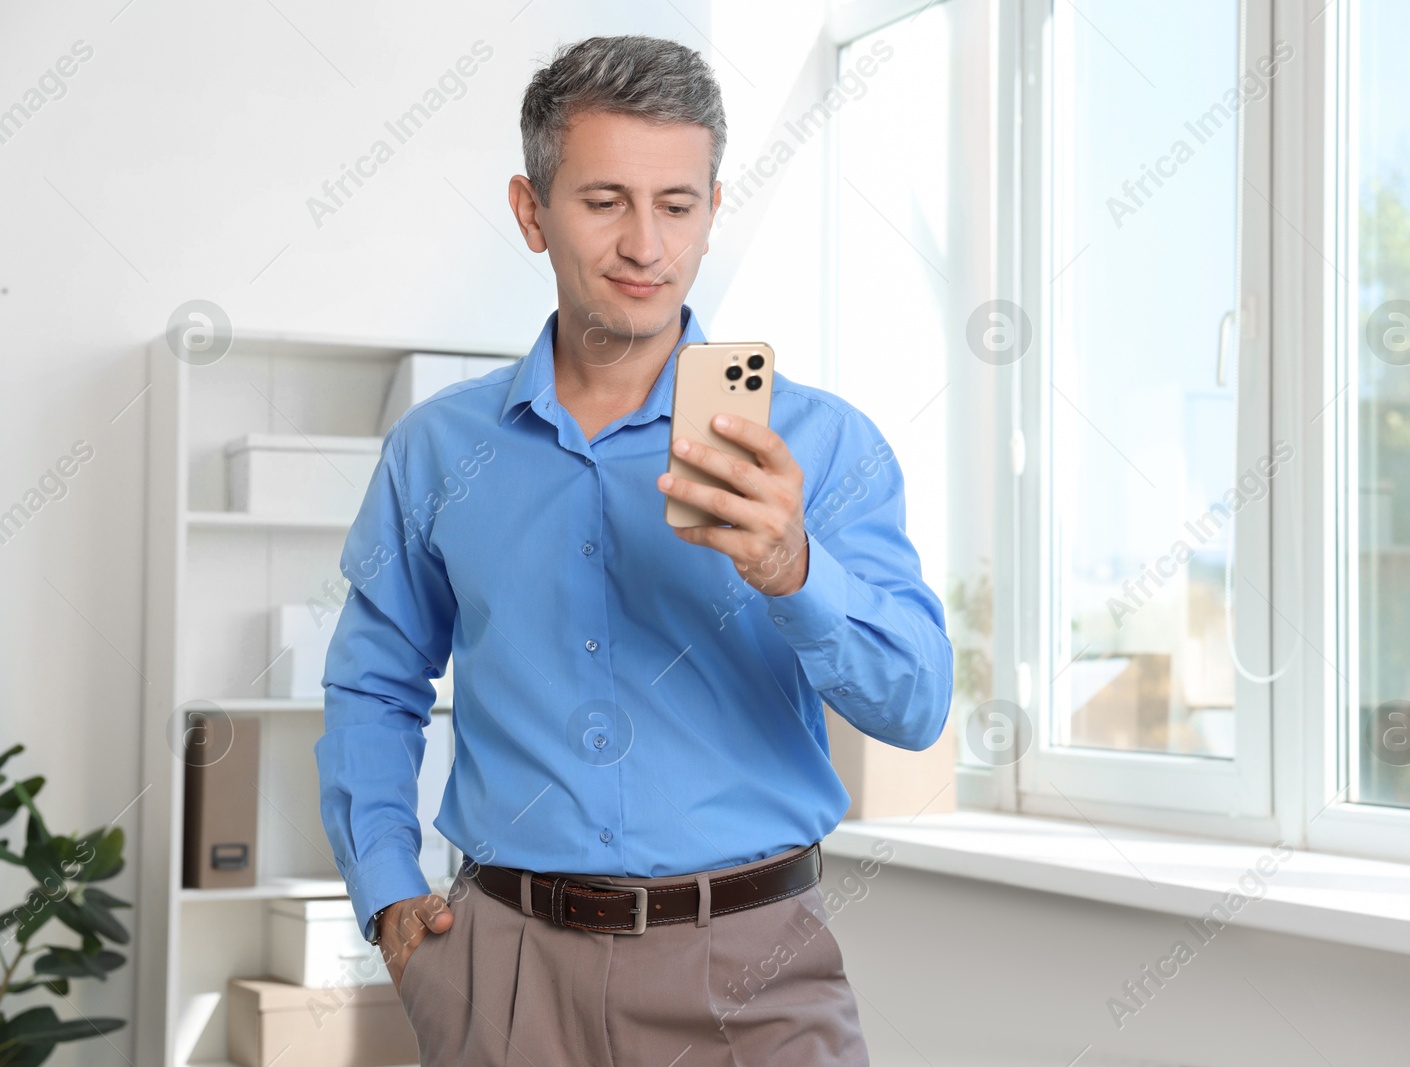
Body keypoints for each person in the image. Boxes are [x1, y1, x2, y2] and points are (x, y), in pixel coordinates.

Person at [316, 32, 952, 1067]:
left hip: (754, 968)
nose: (644, 245)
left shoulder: (821, 444)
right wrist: (385, 885)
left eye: (677, 204)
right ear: (532, 212)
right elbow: (373, 682)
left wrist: (796, 569)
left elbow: (915, 704)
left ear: (709, 213)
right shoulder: (438, 449)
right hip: (503, 972)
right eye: (604, 200)